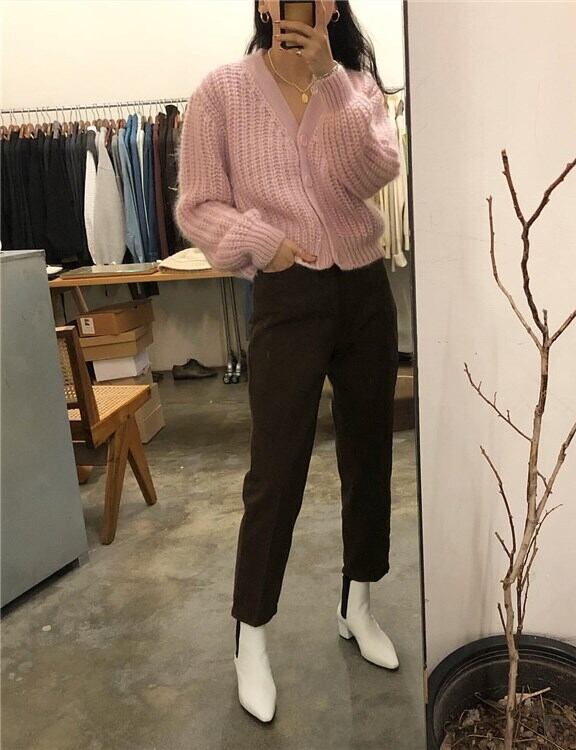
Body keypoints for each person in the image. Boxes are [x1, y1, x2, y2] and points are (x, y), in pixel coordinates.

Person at [175, 0, 401, 723]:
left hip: (364, 288)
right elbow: (198, 204)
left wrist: (331, 79)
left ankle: (358, 603)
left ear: (330, 7)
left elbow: (376, 172)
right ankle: (251, 634)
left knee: (370, 452)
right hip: (287, 291)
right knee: (275, 469)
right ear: (263, 5)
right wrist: (259, 242)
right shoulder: (221, 93)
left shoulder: (357, 86)